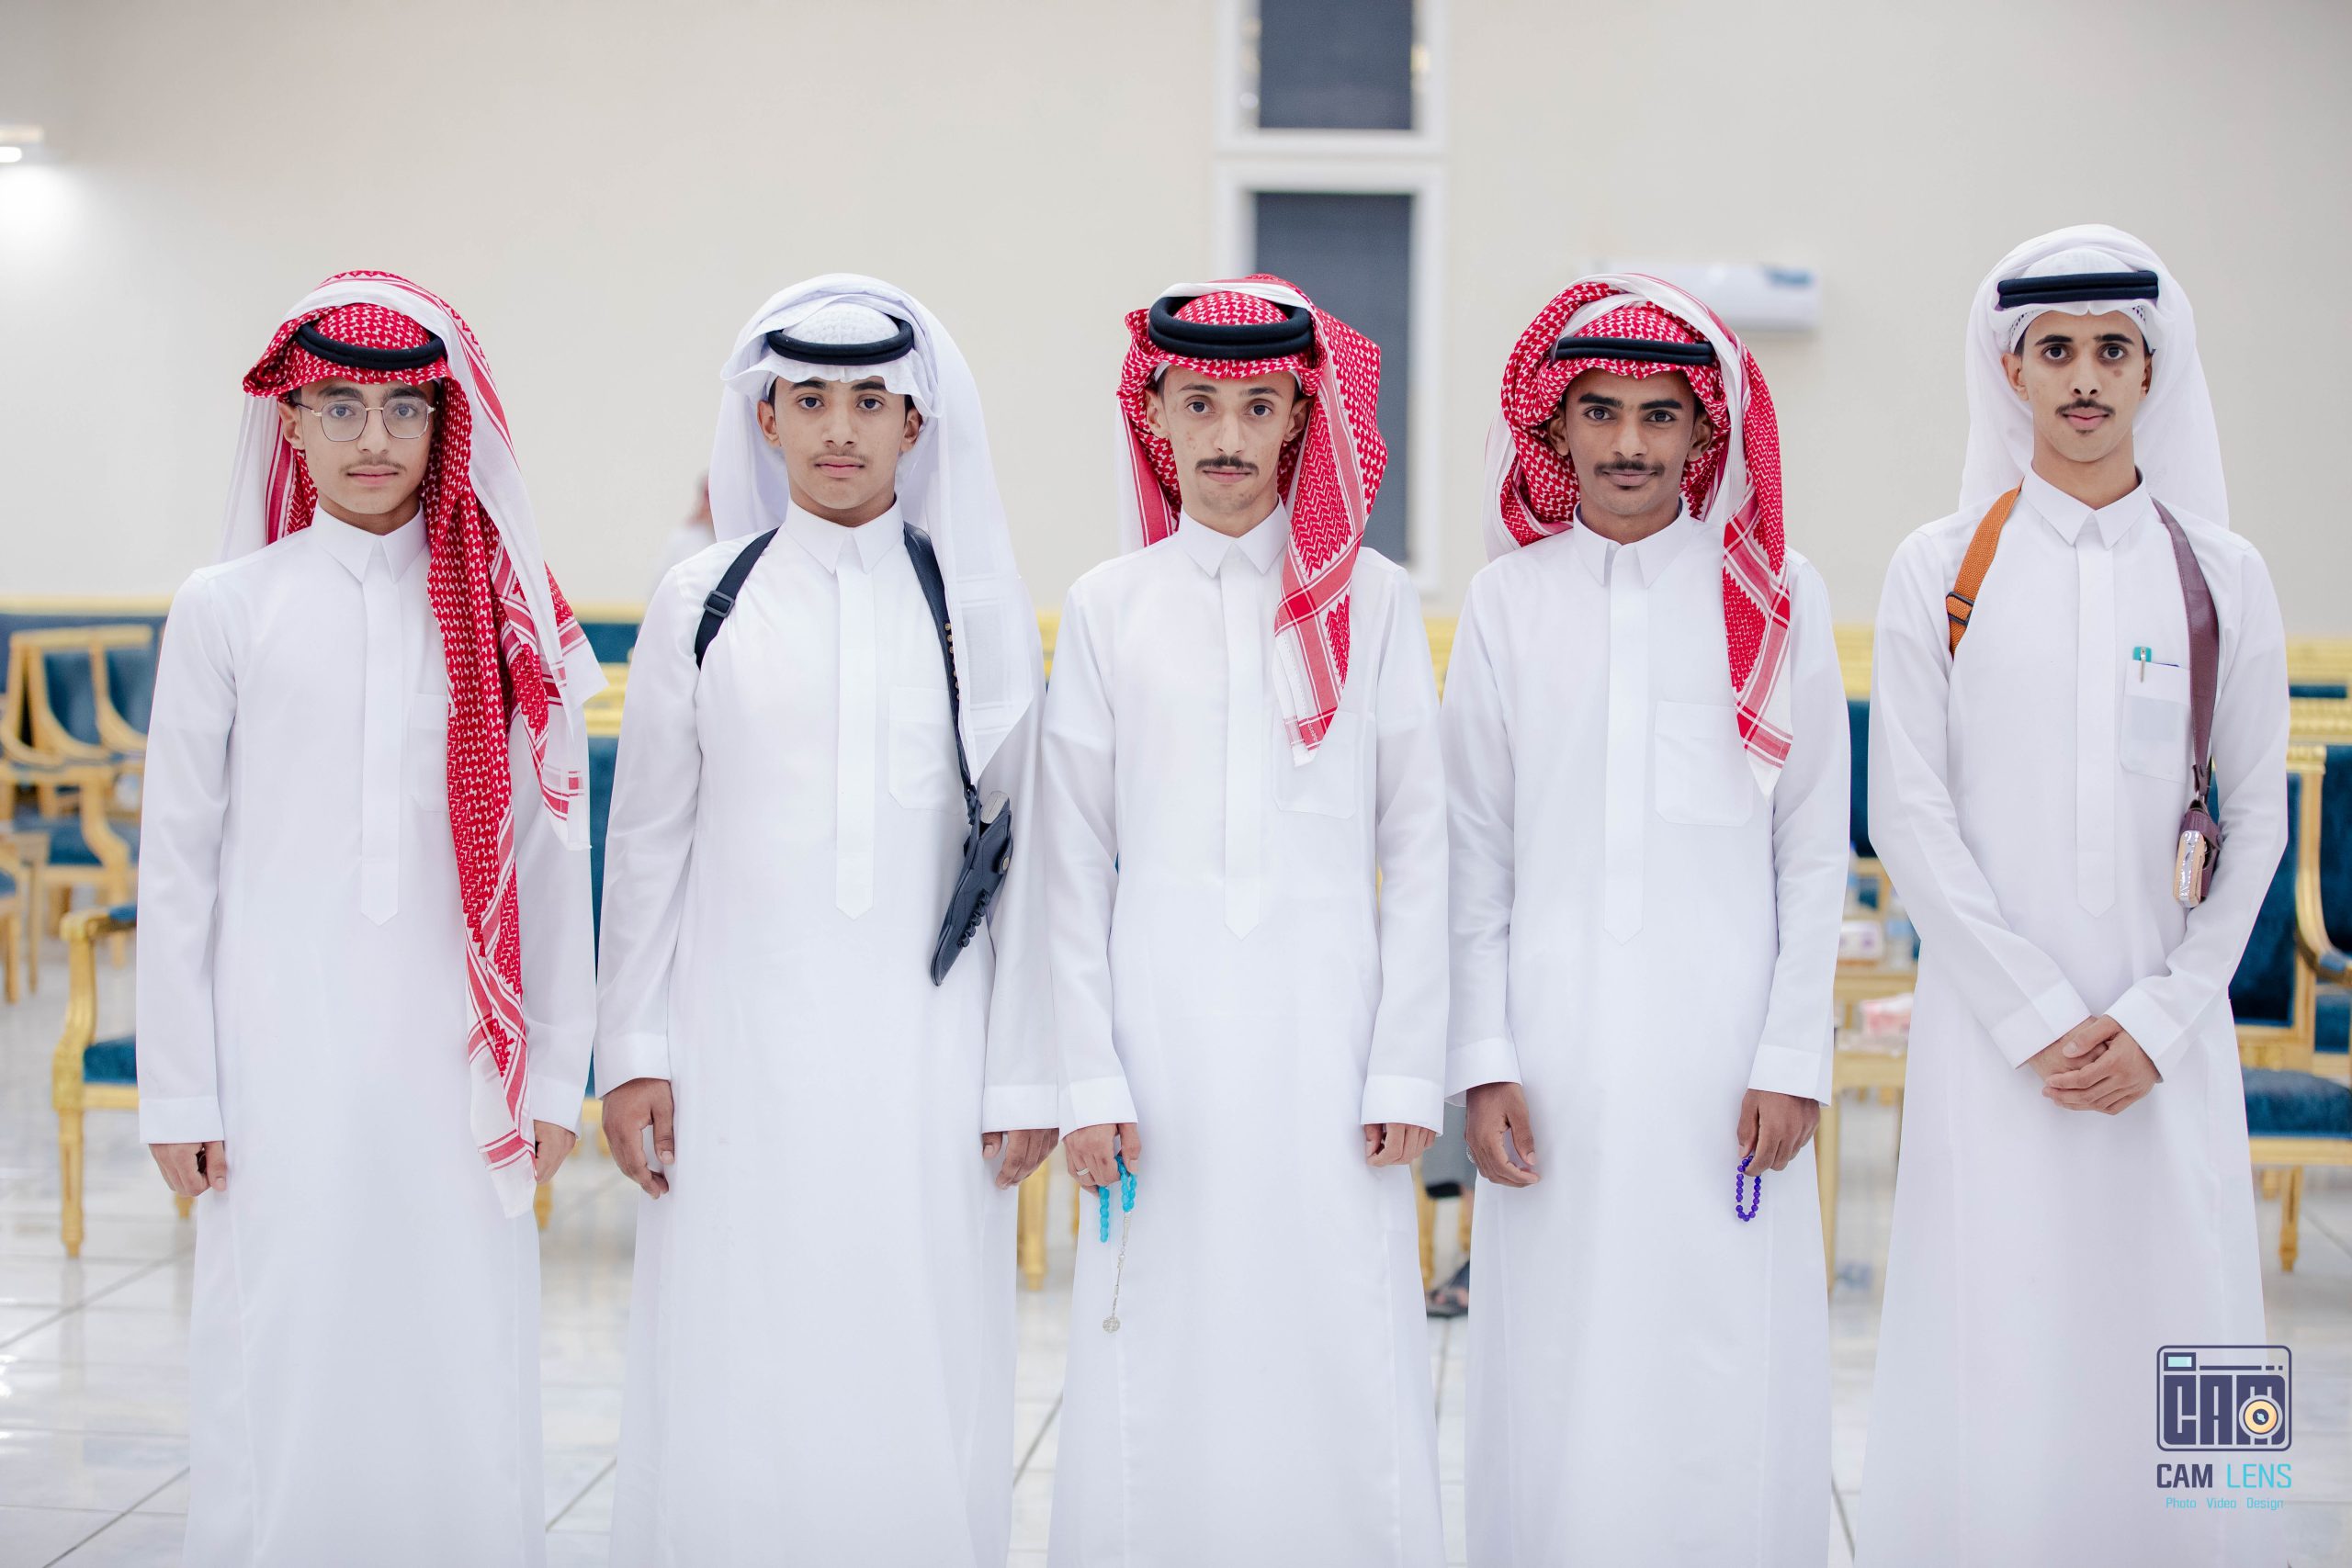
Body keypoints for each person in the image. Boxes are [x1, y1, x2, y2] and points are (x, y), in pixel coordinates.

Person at [138, 273, 601, 1564]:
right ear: (289, 422)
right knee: (281, 1340)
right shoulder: (226, 605)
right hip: (275, 1055)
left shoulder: (503, 617)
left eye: (403, 409)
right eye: (338, 407)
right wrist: (181, 1091)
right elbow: (176, 866)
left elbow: (546, 856)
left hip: (461, 1063)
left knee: (459, 1342)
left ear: (445, 425)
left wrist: (554, 1074)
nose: (373, 439)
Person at [594, 276, 1056, 1564]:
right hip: (736, 1042)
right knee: (741, 1332)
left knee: (917, 1332)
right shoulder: (704, 599)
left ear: (916, 423)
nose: (839, 428)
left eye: (869, 400)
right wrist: (632, 1052)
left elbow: (1026, 857)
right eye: (808, 400)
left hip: (929, 1052)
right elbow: (648, 844)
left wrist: (1024, 1068)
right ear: (765, 420)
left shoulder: (972, 606)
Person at [1855, 226, 2288, 1568]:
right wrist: (2036, 1013)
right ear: (2013, 369)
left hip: (2171, 1043)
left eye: (2113, 349)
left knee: (2188, 1313)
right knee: (1999, 1325)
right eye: (2056, 350)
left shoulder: (2225, 574)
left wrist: (2160, 1019)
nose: (2085, 377)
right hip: (1998, 1049)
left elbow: (2256, 823)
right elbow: (1908, 814)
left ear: (2155, 370)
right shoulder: (1942, 568)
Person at [1042, 276, 1448, 1566]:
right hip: (1155, 1046)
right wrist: (1087, 1075)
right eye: (1200, 403)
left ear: (1301, 418)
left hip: (1333, 1046)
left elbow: (1420, 846)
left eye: (1258, 406)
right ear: (1155, 412)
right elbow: (1070, 862)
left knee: (1337, 1336)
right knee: (1159, 1339)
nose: (1226, 436)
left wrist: (1407, 1063)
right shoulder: (1107, 604)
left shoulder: (1375, 600)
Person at [1444, 275, 1845, 1566]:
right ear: (1554, 429)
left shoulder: (1776, 597)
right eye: (1602, 412)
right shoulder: (1508, 602)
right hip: (1549, 1054)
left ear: (1704, 432)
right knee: (1556, 1358)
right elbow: (1474, 854)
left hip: (1723, 1058)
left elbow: (1812, 853)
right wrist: (1484, 1058)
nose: (1629, 443)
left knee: (1720, 1347)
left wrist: (1791, 1057)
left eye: (1659, 415)